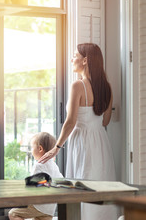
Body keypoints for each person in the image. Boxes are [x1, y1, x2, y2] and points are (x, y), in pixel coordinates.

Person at [38, 43, 119, 220]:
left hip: (82, 141)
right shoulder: (107, 87)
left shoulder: (78, 86)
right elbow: (105, 121)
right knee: (100, 183)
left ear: (85, 60)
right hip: (101, 141)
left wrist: (57, 147)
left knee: (81, 185)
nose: (72, 59)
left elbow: (70, 121)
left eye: (75, 55)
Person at [9, 132, 63, 220]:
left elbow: (31, 187)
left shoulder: (38, 165)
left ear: (40, 148)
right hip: (50, 208)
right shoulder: (54, 165)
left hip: (38, 206)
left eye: (32, 147)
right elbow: (61, 180)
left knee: (13, 214)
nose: (31, 150)